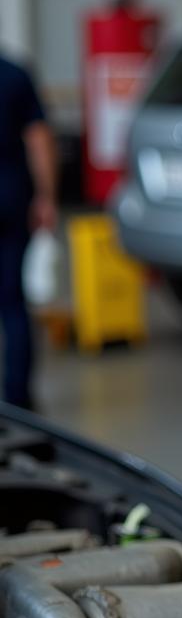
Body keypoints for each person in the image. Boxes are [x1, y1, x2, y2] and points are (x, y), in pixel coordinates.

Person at [0, 53, 57, 410]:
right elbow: (39, 140)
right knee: (13, 302)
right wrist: (46, 197)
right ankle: (18, 401)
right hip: (10, 200)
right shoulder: (15, 75)